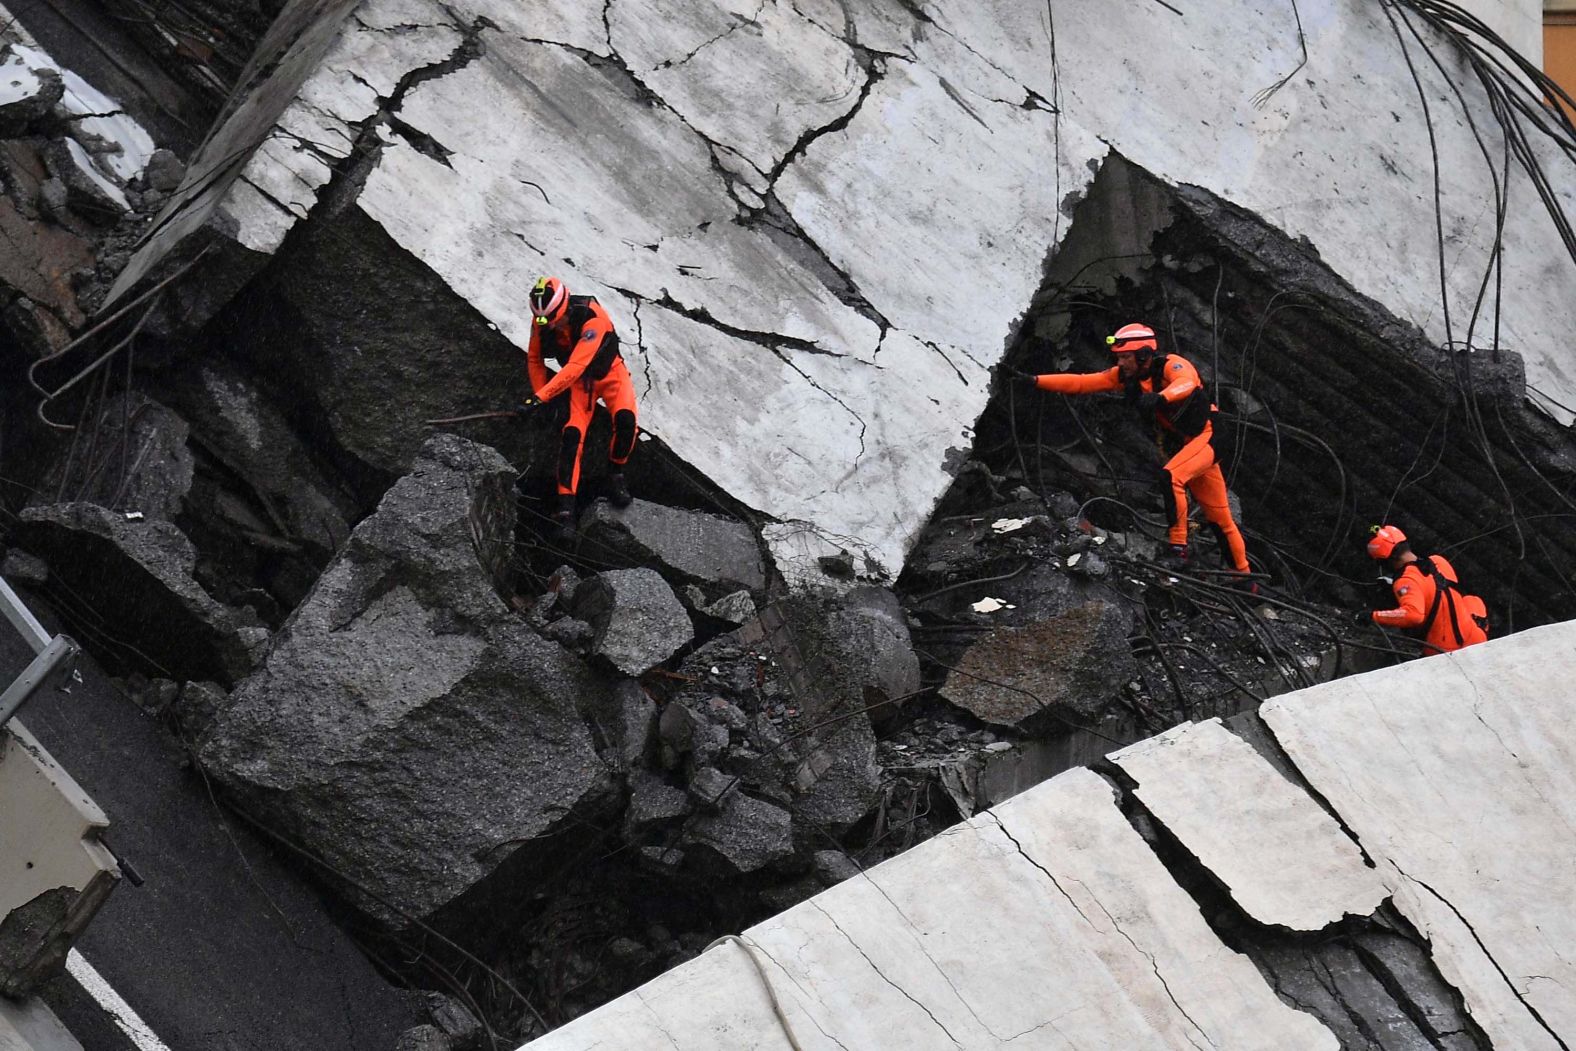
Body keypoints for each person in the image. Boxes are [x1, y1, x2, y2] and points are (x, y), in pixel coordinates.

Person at [1013, 322, 1252, 578]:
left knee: (1171, 477)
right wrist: (1035, 380)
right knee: (1220, 518)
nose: (1122, 363)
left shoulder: (1171, 365)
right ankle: (1245, 578)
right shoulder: (1126, 378)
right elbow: (1082, 383)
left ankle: (1178, 549)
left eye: (1126, 357)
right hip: (1191, 445)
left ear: (1144, 355)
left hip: (1210, 435)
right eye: (1119, 357)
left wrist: (1163, 397)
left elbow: (1188, 383)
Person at [521, 276, 638, 537]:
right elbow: (535, 358)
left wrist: (541, 397)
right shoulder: (542, 321)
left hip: (610, 374)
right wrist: (540, 396)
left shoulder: (592, 317)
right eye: (544, 321)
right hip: (580, 385)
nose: (550, 326)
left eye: (554, 320)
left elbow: (575, 367)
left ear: (565, 307)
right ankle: (566, 509)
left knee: (626, 421)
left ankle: (615, 473)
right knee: (572, 436)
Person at [1361, 524, 1488, 656]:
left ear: (1387, 561)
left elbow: (1413, 615)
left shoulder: (1405, 581)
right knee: (1471, 600)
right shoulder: (1439, 561)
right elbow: (1428, 585)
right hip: (1477, 638)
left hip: (1444, 651)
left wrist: (1373, 616)